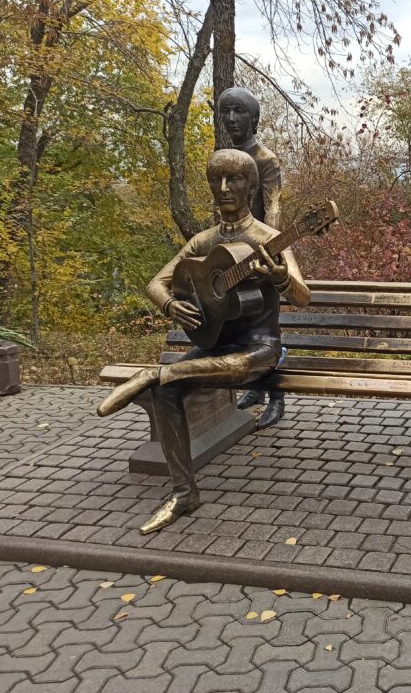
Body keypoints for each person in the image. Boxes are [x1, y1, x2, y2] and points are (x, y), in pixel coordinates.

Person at [96, 149, 311, 534]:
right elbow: (156, 283)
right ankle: (183, 494)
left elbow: (302, 296)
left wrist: (280, 277)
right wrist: (170, 305)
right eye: (216, 180)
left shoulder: (269, 239)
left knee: (168, 376)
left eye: (235, 180)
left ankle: (152, 373)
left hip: (258, 350)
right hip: (213, 346)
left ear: (252, 186)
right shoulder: (203, 241)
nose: (224, 188)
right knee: (167, 390)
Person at [216, 86, 286, 429]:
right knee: (238, 323)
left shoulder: (265, 159)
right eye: (226, 111)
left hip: (260, 254)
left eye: (239, 111)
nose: (231, 118)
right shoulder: (223, 155)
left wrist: (269, 245)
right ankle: (255, 389)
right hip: (229, 253)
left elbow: (273, 203)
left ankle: (276, 396)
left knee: (266, 328)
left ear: (253, 118)